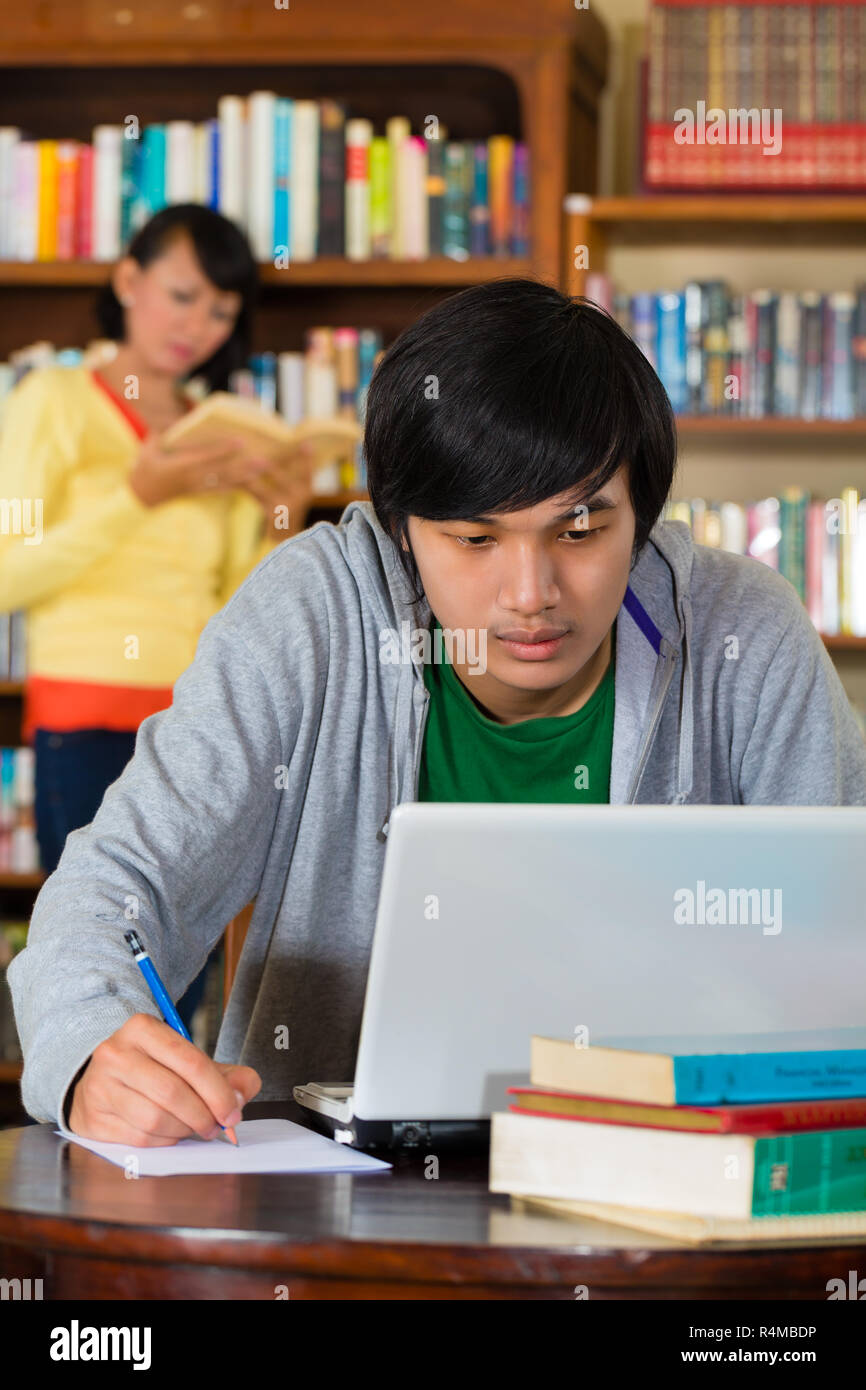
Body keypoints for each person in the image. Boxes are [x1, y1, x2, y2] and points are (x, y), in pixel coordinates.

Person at [8, 277, 866, 1147]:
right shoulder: (313, 615)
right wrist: (91, 1050)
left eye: (580, 532)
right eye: (475, 540)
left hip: (675, 1196)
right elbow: (115, 887)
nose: (531, 596)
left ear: (641, 517)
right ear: (402, 528)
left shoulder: (741, 633)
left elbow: (848, 926)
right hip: (338, 1222)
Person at [0, 203, 315, 1031]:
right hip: (88, 711)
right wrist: (138, 498)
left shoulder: (219, 430)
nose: (198, 327)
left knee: (189, 977)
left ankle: (161, 1147)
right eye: (182, 296)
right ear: (128, 281)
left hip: (200, 720)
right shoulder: (55, 401)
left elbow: (235, 608)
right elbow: (7, 567)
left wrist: (283, 518)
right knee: (108, 960)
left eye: (220, 310)